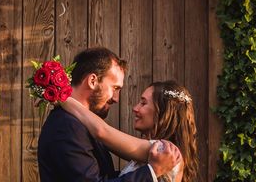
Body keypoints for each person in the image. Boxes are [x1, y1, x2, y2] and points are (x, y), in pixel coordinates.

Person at [38, 47, 182, 182]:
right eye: (115, 88)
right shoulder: (66, 126)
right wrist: (151, 171)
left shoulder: (82, 124)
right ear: (92, 81)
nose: (116, 98)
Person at [61, 80, 199, 182]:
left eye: (143, 103)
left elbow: (102, 132)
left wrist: (61, 97)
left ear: (163, 112)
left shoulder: (164, 150)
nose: (135, 108)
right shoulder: (154, 152)